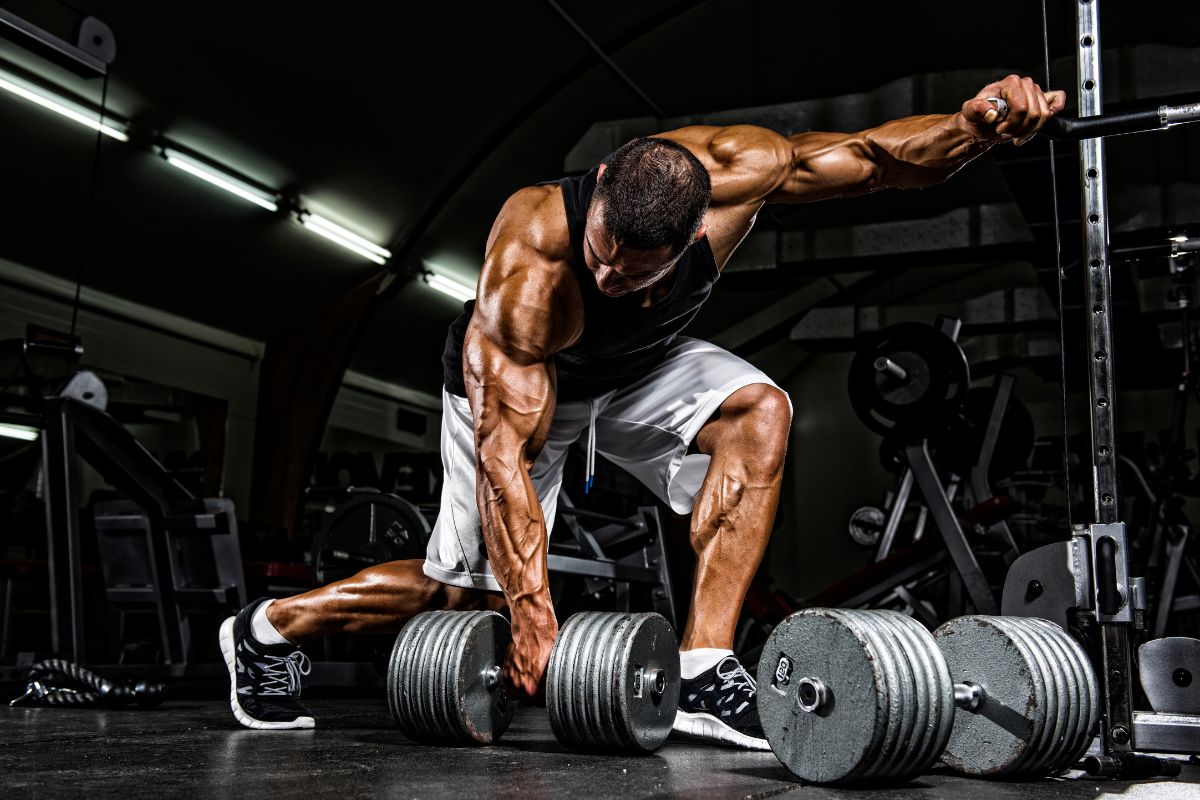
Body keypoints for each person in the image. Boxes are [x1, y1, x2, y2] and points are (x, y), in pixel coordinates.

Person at [220, 74, 1065, 745]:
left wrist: (976, 127)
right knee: (463, 598)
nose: (615, 275)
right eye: (604, 256)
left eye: (638, 272)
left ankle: (704, 667)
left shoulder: (745, 170)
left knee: (759, 410)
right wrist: (532, 611)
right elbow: (503, 454)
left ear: (700, 229)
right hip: (525, 393)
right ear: (598, 191)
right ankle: (265, 630)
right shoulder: (532, 266)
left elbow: (879, 158)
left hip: (636, 368)